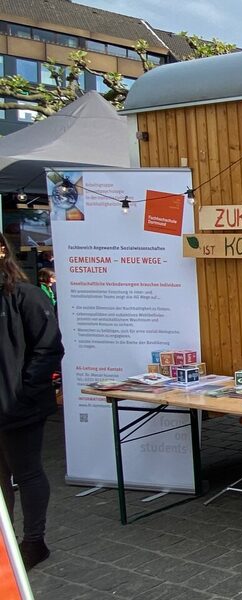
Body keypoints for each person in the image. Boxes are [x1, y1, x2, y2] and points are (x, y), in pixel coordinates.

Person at [0, 234, 63, 570]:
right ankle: (6, 543)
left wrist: (22, 391)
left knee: (26, 472)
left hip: (19, 407)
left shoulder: (27, 296)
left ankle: (34, 541)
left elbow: (49, 348)